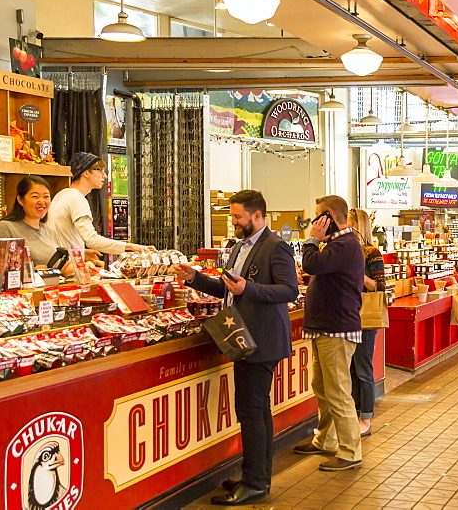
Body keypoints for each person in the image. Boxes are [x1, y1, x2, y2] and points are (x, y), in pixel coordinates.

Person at [172, 190, 299, 506]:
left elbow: (289, 290)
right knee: (256, 410)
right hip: (242, 337)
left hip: (261, 340)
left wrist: (250, 288)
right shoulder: (238, 247)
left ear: (257, 216)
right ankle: (256, 475)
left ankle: (256, 483)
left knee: (251, 410)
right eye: (232, 216)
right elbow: (228, 291)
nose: (233, 221)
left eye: (238, 217)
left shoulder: (275, 246)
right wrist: (196, 279)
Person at [294, 195, 365, 472]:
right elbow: (322, 271)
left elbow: (312, 263)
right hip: (325, 328)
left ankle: (349, 452)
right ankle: (326, 439)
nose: (314, 223)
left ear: (330, 217)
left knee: (338, 393)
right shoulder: (338, 245)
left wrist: (312, 239)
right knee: (322, 388)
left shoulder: (345, 244)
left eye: (317, 217)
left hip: (336, 329)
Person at [0, 175, 101, 277]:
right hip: (18, 297)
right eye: (35, 196)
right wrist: (29, 273)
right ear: (20, 199)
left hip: (50, 295)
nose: (42, 201)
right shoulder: (4, 228)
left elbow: (63, 267)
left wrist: (84, 268)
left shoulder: (49, 231)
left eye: (46, 196)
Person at [46, 152, 152, 255]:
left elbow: (63, 239)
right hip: (67, 266)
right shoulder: (76, 198)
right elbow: (91, 239)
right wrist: (131, 247)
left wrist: (82, 252)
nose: (105, 176)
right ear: (86, 172)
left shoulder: (63, 194)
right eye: (100, 170)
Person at [347, 207, 386, 437]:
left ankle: (367, 419)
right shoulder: (346, 251)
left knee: (362, 369)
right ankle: (353, 413)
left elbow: (380, 287)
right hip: (347, 314)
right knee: (350, 369)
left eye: (349, 222)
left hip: (365, 316)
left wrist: (357, 275)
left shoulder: (371, 253)